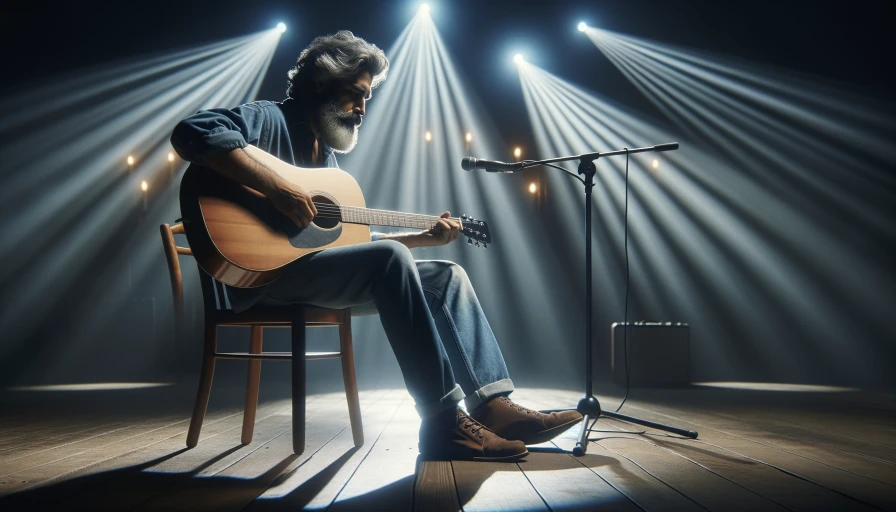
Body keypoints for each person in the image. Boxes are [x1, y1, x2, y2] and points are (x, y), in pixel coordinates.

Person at [171, 30, 582, 461]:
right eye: (356, 94)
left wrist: (421, 238)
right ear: (319, 83)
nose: (362, 110)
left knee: (446, 277)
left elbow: (353, 248)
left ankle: (494, 406)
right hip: (262, 279)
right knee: (389, 258)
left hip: (311, 274)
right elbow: (193, 131)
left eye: (366, 98)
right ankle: (443, 422)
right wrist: (276, 187)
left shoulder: (325, 160)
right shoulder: (267, 119)